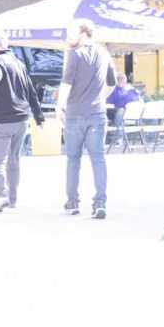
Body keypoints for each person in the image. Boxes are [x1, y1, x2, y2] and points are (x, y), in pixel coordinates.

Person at [0, 30, 42, 212]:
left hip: (1, 120)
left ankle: (2, 195)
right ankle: (12, 199)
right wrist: (39, 116)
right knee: (14, 160)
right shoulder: (18, 63)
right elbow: (31, 91)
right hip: (21, 119)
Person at [58, 22, 114, 218]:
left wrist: (59, 107)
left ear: (83, 33)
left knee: (73, 160)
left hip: (74, 115)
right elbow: (112, 83)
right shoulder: (104, 53)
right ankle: (100, 203)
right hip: (97, 114)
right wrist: (100, 99)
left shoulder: (75, 54)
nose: (68, 36)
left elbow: (66, 84)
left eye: (71, 32)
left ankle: (72, 202)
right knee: (98, 159)